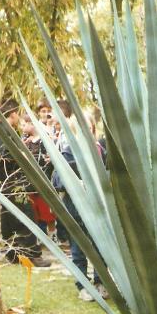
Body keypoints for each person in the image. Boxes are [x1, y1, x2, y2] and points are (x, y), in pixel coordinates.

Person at [51, 101, 108, 301]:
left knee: (101, 245)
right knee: (78, 246)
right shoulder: (67, 150)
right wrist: (78, 179)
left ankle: (101, 282)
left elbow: (108, 172)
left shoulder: (99, 149)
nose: (86, 129)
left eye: (89, 126)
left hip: (98, 205)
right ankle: (83, 286)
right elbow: (58, 179)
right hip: (76, 207)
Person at [0, 97, 51, 267]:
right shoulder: (5, 130)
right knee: (26, 217)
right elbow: (4, 155)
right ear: (14, 114)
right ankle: (32, 254)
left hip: (4, 182)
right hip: (12, 181)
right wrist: (22, 155)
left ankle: (13, 254)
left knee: (9, 218)